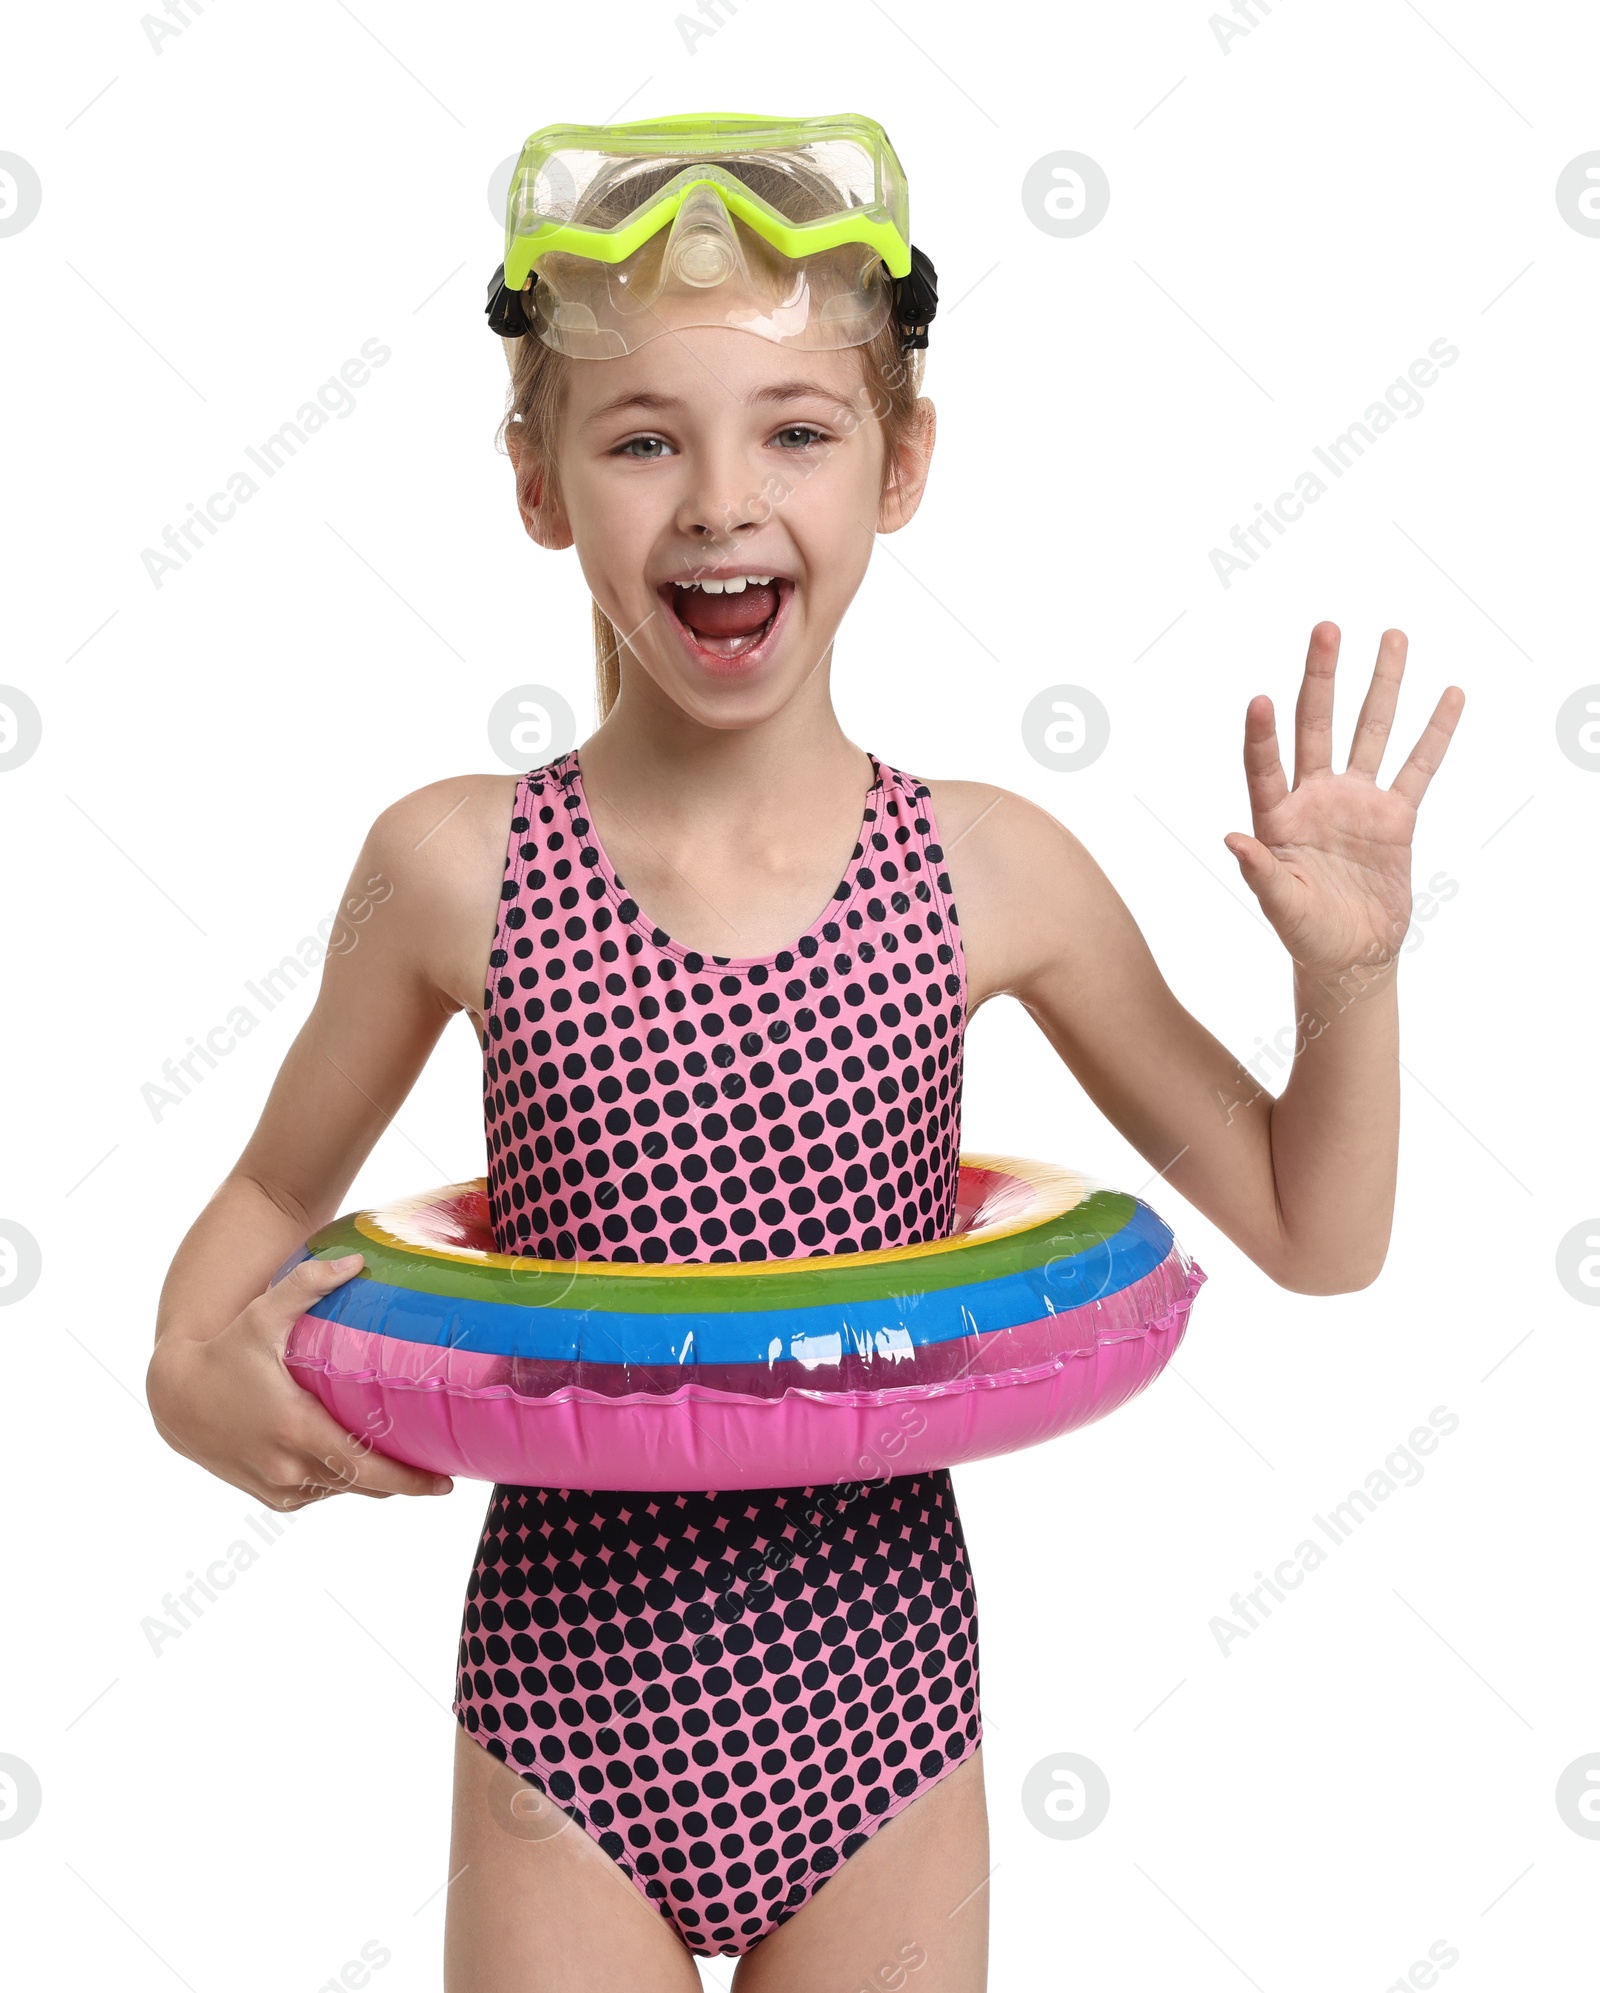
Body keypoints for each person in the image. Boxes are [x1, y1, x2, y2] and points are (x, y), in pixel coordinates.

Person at [144, 112, 1464, 1991]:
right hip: (564, 1717)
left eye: (795, 430)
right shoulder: (450, 865)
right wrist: (189, 1373)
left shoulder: (995, 870)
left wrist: (1356, 974)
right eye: (641, 438)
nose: (717, 502)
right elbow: (274, 1197)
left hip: (881, 1716)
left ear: (901, 460)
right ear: (537, 480)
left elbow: (1311, 1228)